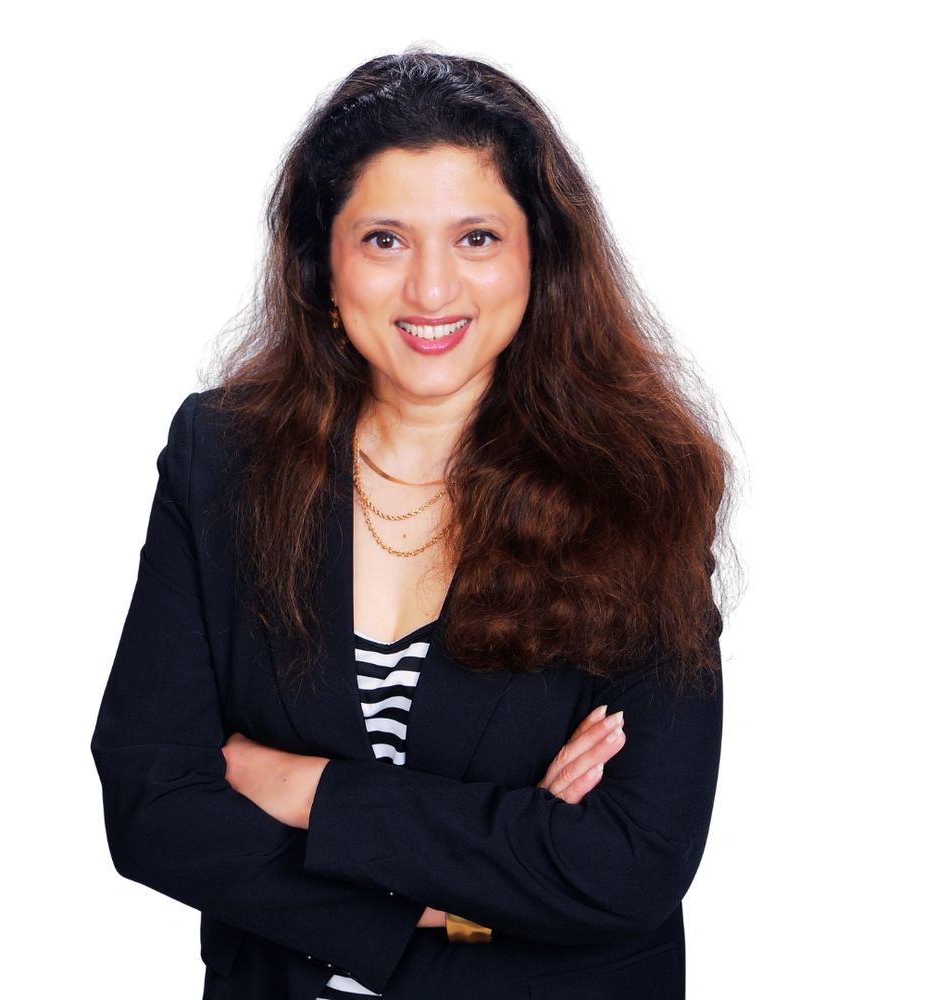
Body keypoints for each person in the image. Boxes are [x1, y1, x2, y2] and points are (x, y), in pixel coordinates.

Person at [91, 48, 734, 1000]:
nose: (432, 291)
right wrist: (459, 892)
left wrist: (305, 790)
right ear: (323, 262)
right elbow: (153, 806)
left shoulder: (640, 482)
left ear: (538, 254)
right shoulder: (222, 457)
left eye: (476, 237)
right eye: (385, 239)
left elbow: (628, 861)